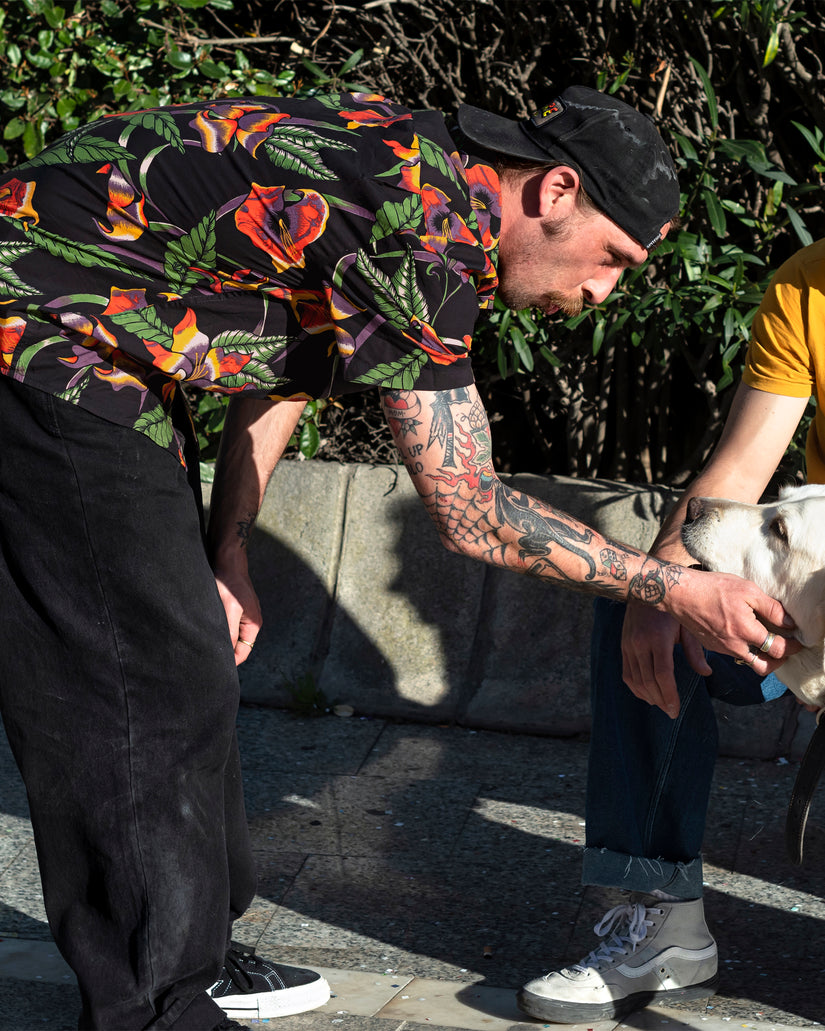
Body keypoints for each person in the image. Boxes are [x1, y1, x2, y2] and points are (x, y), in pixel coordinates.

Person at [0, 85, 798, 1030]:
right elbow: (470, 511)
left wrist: (232, 546)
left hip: (104, 353)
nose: (598, 294)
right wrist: (671, 584)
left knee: (186, 657)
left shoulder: (417, 175)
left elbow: (285, 363)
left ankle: (193, 954)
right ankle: (156, 1001)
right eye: (609, 258)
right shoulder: (418, 225)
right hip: (39, 342)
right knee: (137, 682)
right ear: (553, 191)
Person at [518, 237, 825, 1024]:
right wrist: (662, 581)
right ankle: (662, 918)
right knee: (645, 604)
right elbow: (738, 470)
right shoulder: (809, 283)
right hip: (804, 584)